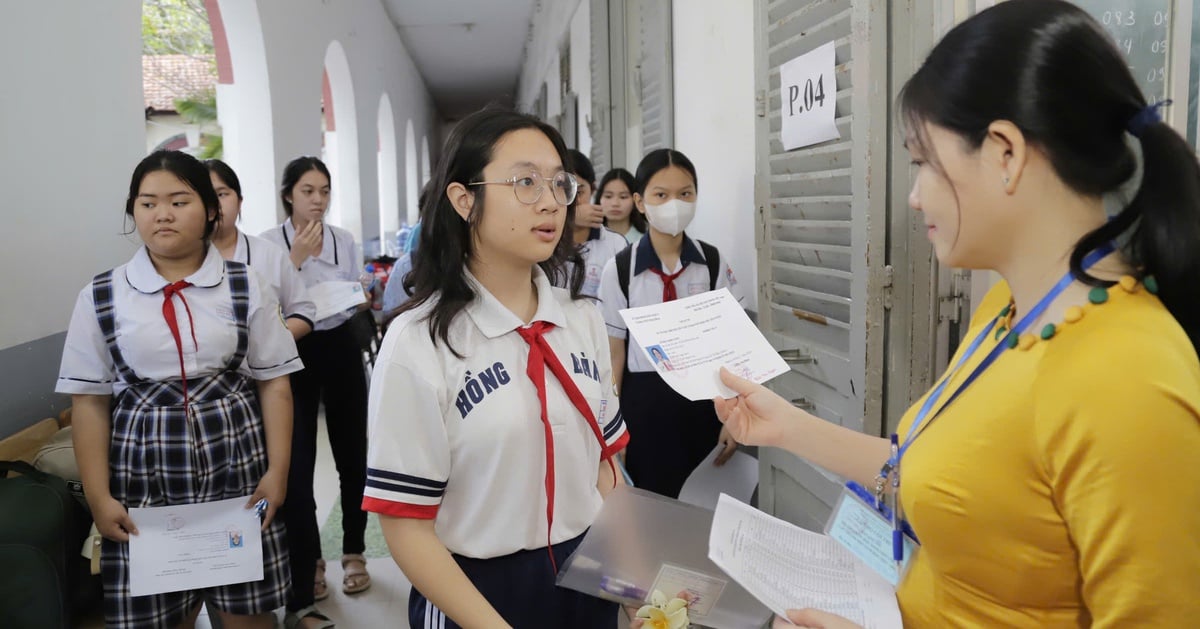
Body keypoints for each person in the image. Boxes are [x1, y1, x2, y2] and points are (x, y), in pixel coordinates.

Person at [717, 2, 1200, 626]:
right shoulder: (1011, 308)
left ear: (1004, 152)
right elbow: (939, 474)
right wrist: (787, 429)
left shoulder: (1128, 380)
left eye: (923, 161)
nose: (914, 195)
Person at [363, 107, 629, 629]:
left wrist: (632, 582)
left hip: (585, 581)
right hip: (474, 592)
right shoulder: (418, 343)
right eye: (525, 182)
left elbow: (604, 467)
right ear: (464, 200)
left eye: (560, 184)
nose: (551, 201)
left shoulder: (582, 319)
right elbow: (404, 525)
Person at [57, 150, 299, 629]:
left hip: (237, 466)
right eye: (147, 204)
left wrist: (278, 473)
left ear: (211, 209)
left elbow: (275, 384)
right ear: (134, 212)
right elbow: (89, 403)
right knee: (161, 616)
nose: (161, 214)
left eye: (178, 200)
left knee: (247, 614)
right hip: (145, 477)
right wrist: (100, 496)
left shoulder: (245, 285)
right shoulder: (102, 294)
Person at [259, 157, 371, 627]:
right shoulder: (268, 245)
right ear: (289, 195)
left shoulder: (344, 240)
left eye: (324, 190)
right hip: (295, 351)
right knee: (298, 462)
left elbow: (356, 291)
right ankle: (310, 563)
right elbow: (265, 303)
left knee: (353, 455)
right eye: (308, 191)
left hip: (341, 346)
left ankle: (353, 550)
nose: (318, 200)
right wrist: (296, 262)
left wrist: (356, 292)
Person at [598, 148, 743, 498]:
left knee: (704, 506)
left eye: (685, 193)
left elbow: (733, 343)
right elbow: (614, 357)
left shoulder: (710, 261)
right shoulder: (619, 270)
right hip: (643, 407)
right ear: (640, 202)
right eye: (661, 195)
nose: (674, 204)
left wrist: (735, 415)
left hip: (705, 405)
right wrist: (612, 431)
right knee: (649, 507)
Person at [206, 159, 315, 341]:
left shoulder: (267, 253)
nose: (215, 204)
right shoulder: (178, 259)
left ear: (240, 201)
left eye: (222, 194)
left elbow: (304, 310)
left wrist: (267, 345)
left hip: (264, 366)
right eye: (205, 195)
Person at [565, 149, 627, 298]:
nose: (573, 201)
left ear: (593, 189)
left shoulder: (616, 244)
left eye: (579, 192)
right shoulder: (544, 239)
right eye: (565, 191)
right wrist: (568, 220)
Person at [597, 168, 645, 244]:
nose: (615, 203)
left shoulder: (644, 241)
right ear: (599, 198)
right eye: (608, 196)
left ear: (635, 200)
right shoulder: (590, 239)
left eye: (623, 197)